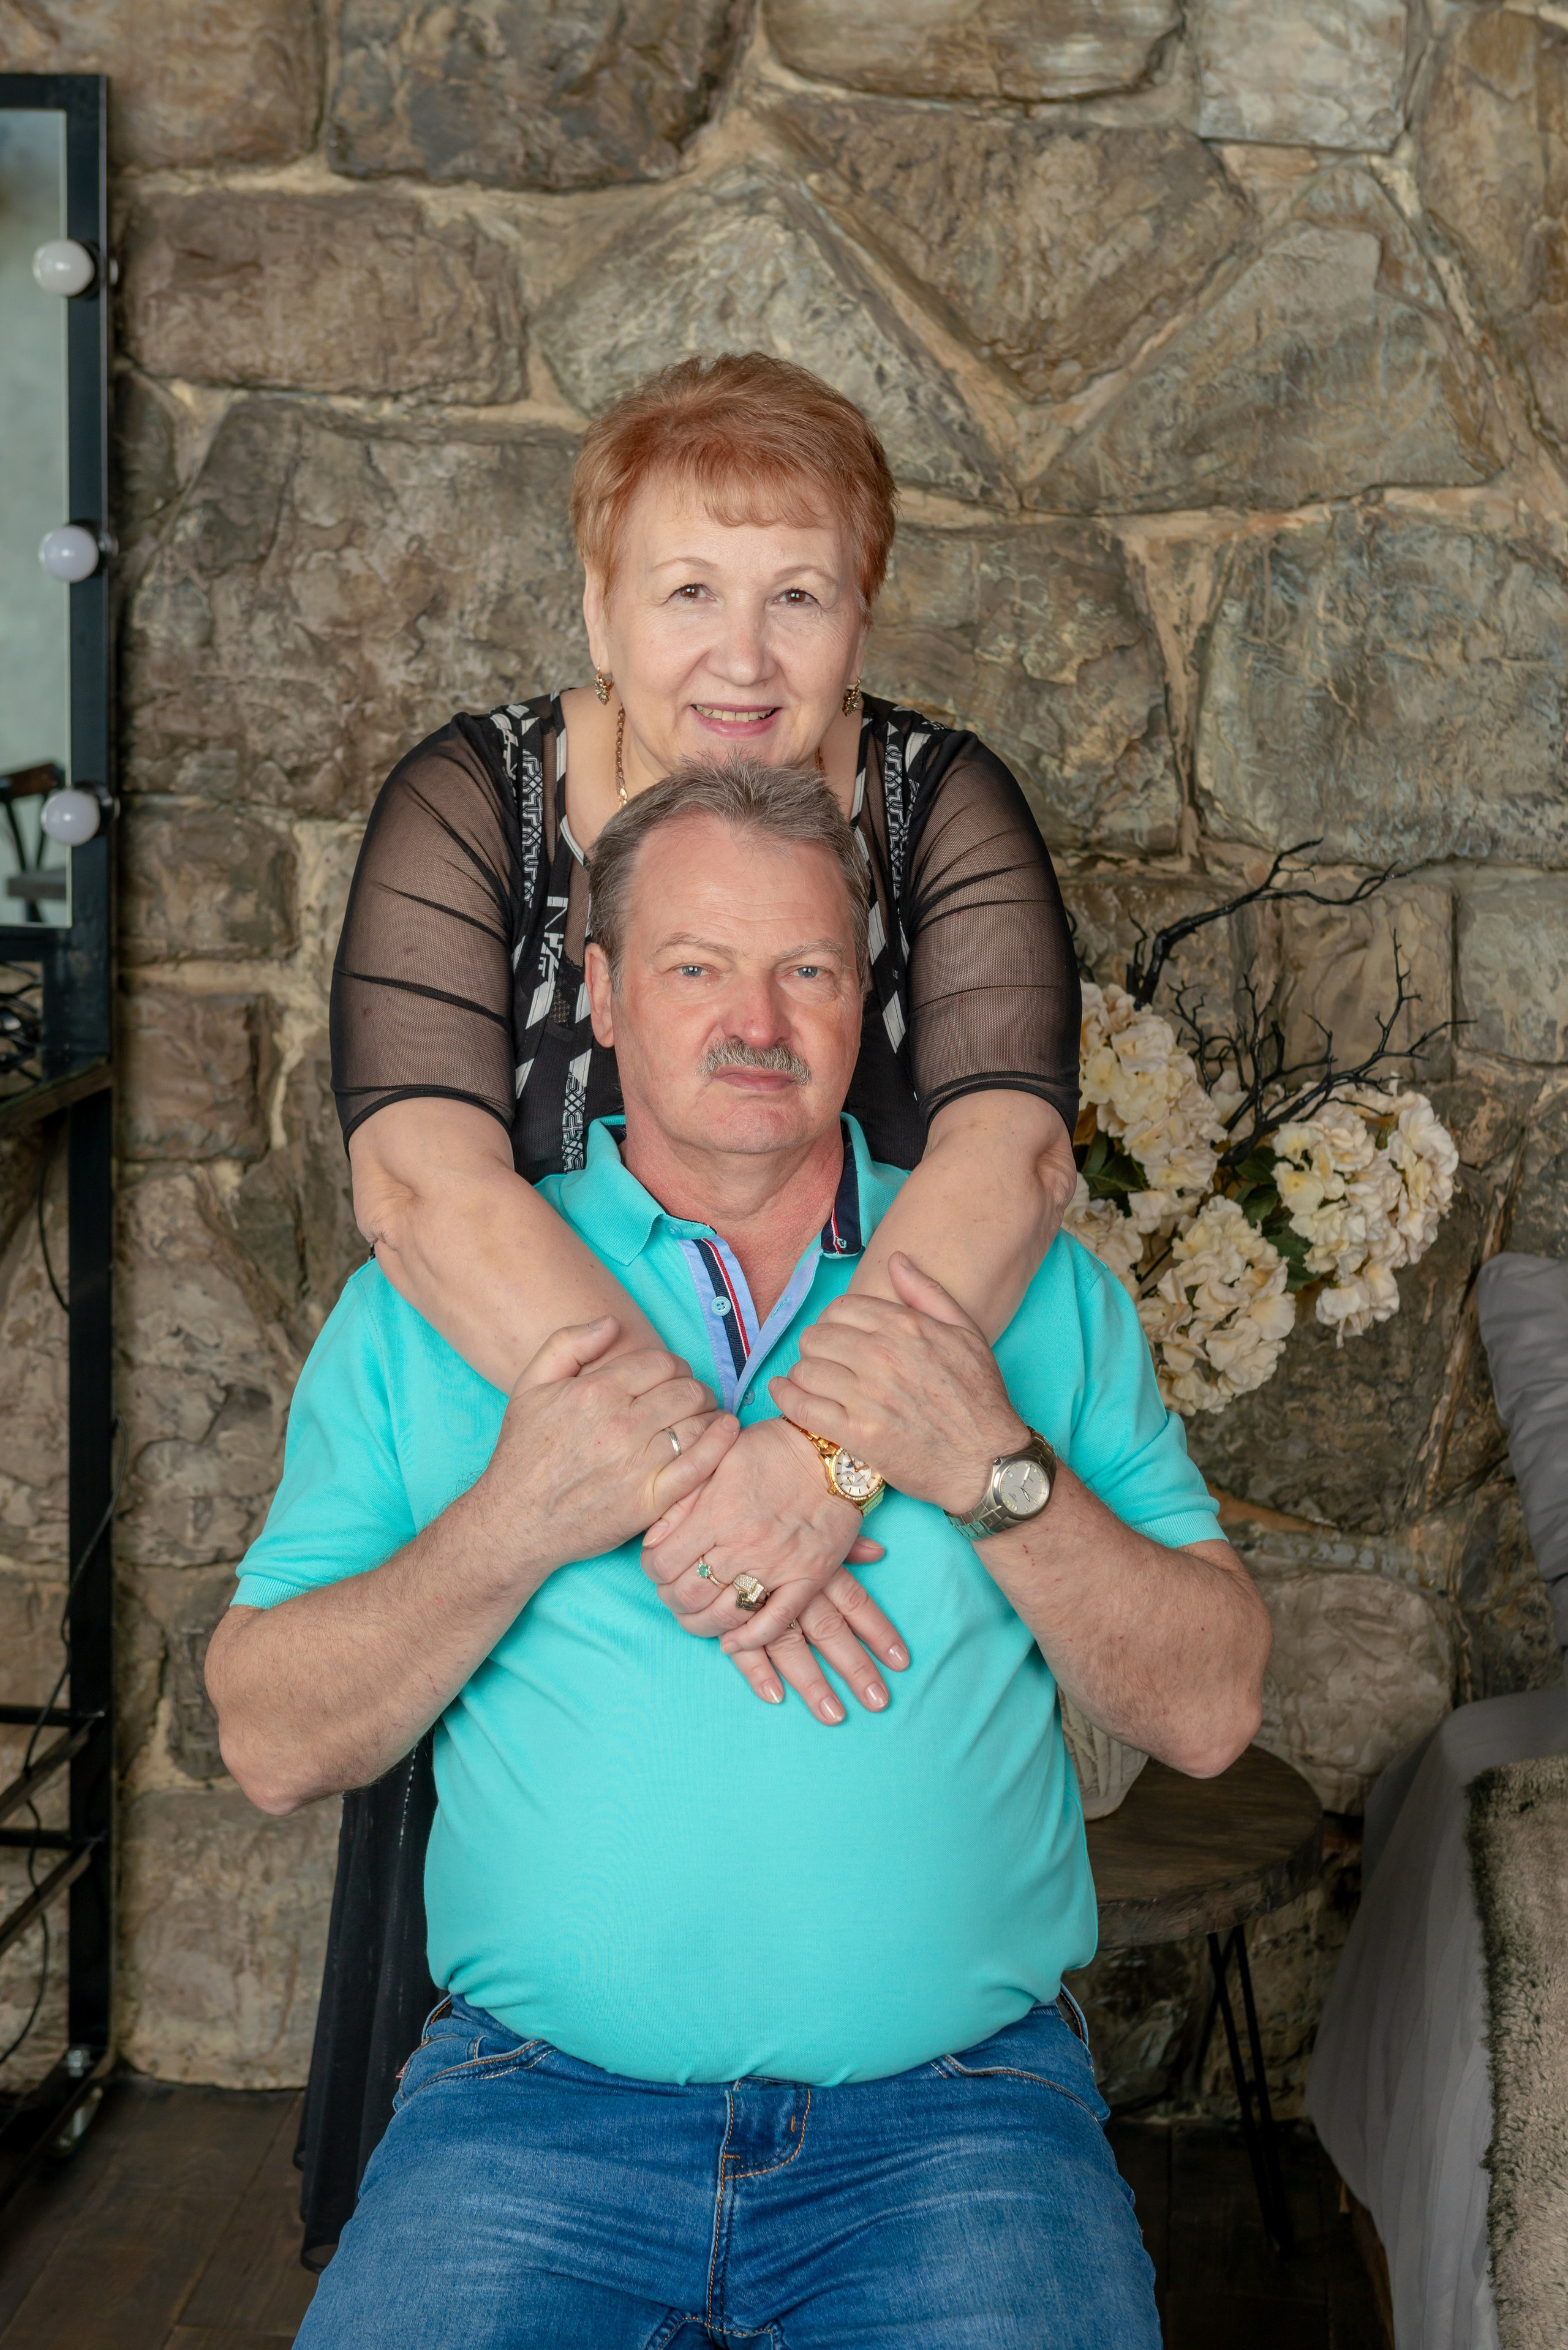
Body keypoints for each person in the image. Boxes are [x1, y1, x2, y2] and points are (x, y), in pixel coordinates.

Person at [209, 761, 1270, 2348]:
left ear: (870, 998)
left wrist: (988, 1474)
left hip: (960, 2125)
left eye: (809, 970)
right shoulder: (439, 1308)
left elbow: (1210, 1707)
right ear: (605, 995)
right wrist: (516, 1523)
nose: (755, 1020)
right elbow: (270, 1738)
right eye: (698, 967)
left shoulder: (1027, 1291)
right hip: (530, 2118)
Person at [305, 348, 1086, 2242]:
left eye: (797, 594)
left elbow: (1008, 1164)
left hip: (879, 1531)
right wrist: (676, 1482)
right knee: (517, 2075)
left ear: (861, 616)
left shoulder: (938, 801)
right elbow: (419, 1181)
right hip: (557, 1551)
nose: (744, 653)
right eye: (688, 590)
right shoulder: (473, 801)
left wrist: (808, 1475)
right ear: (597, 605)